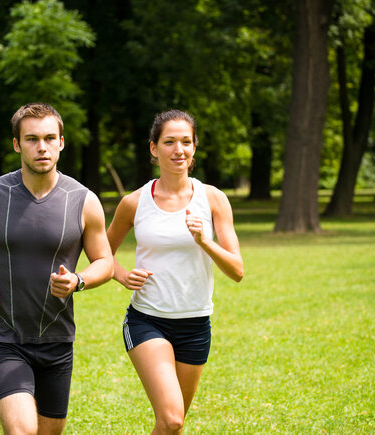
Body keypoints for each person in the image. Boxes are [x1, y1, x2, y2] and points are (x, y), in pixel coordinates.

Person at [0, 102, 113, 434]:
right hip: (4, 335)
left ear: (61, 142)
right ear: (17, 144)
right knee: (21, 431)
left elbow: (105, 262)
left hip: (57, 338)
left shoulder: (84, 200)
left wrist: (78, 280)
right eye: (32, 139)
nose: (42, 147)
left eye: (50, 138)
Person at [107, 109, 244, 434]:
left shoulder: (213, 199)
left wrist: (204, 241)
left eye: (185, 141)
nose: (178, 149)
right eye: (169, 141)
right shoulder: (134, 202)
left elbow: (237, 270)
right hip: (147, 320)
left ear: (194, 146)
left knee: (172, 427)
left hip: (196, 325)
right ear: (154, 148)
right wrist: (121, 274)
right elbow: (101, 252)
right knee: (172, 418)